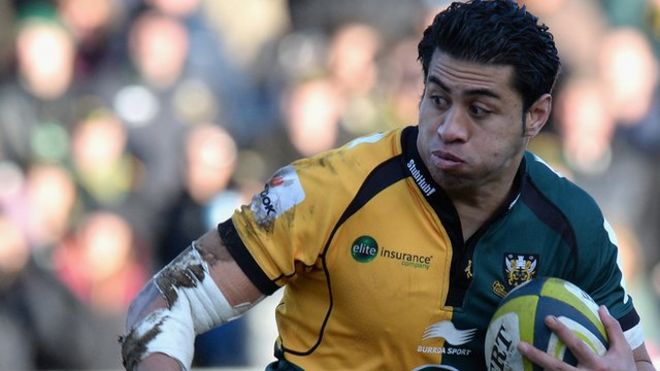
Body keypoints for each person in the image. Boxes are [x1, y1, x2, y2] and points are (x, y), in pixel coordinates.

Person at [120, 1, 656, 370]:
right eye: (438, 98)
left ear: (536, 116)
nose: (450, 127)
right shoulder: (329, 190)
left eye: (480, 109)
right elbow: (164, 303)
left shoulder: (573, 224)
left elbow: (634, 361)